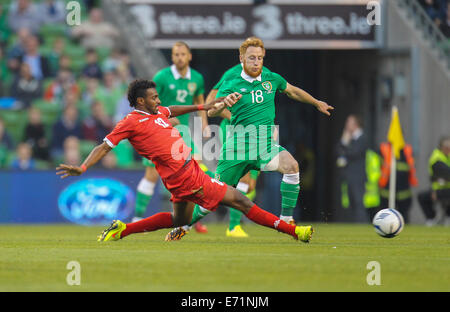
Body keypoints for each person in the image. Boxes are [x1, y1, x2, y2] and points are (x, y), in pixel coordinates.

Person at [55, 79, 314, 244]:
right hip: (185, 177)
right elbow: (104, 145)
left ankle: (122, 230)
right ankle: (294, 232)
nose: (159, 100)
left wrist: (203, 108)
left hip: (180, 177)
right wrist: (83, 167)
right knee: (241, 201)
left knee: (178, 220)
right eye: (154, 97)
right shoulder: (130, 122)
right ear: (141, 101)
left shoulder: (158, 113)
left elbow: (174, 110)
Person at [166, 37, 333, 240]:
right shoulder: (232, 82)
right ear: (242, 58)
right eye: (252, 58)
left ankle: (287, 220)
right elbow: (212, 111)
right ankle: (185, 226)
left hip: (264, 145)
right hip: (236, 147)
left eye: (260, 58)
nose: (256, 62)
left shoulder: (271, 79)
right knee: (213, 197)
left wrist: (316, 103)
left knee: (292, 167)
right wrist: (223, 103)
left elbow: (292, 91)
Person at [132, 42, 211, 234]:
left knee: (194, 173)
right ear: (172, 57)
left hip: (183, 132)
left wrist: (205, 125)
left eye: (183, 54)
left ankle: (189, 219)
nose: (180, 58)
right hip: (160, 132)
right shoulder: (162, 77)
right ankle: (137, 217)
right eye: (176, 54)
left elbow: (199, 103)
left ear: (189, 56)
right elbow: (148, 100)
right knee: (151, 175)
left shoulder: (197, 78)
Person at [336, 115, 369, 223]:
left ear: (355, 125)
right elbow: (338, 151)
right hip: (349, 175)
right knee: (351, 202)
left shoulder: (362, 138)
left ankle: (361, 224)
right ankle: (355, 224)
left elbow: (353, 153)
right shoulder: (349, 138)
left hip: (358, 175)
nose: (346, 125)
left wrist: (345, 147)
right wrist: (344, 142)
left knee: (358, 201)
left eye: (349, 123)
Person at [377, 141, 418, 223]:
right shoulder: (384, 149)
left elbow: (410, 167)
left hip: (404, 191)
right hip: (386, 191)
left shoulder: (407, 150)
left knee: (404, 217)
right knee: (384, 218)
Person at [418, 137, 450, 226]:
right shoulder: (436, 157)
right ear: (441, 147)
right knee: (422, 197)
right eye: (446, 146)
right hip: (439, 190)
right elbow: (446, 173)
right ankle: (431, 219)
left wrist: (441, 179)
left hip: (445, 189)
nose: (448, 148)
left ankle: (448, 217)